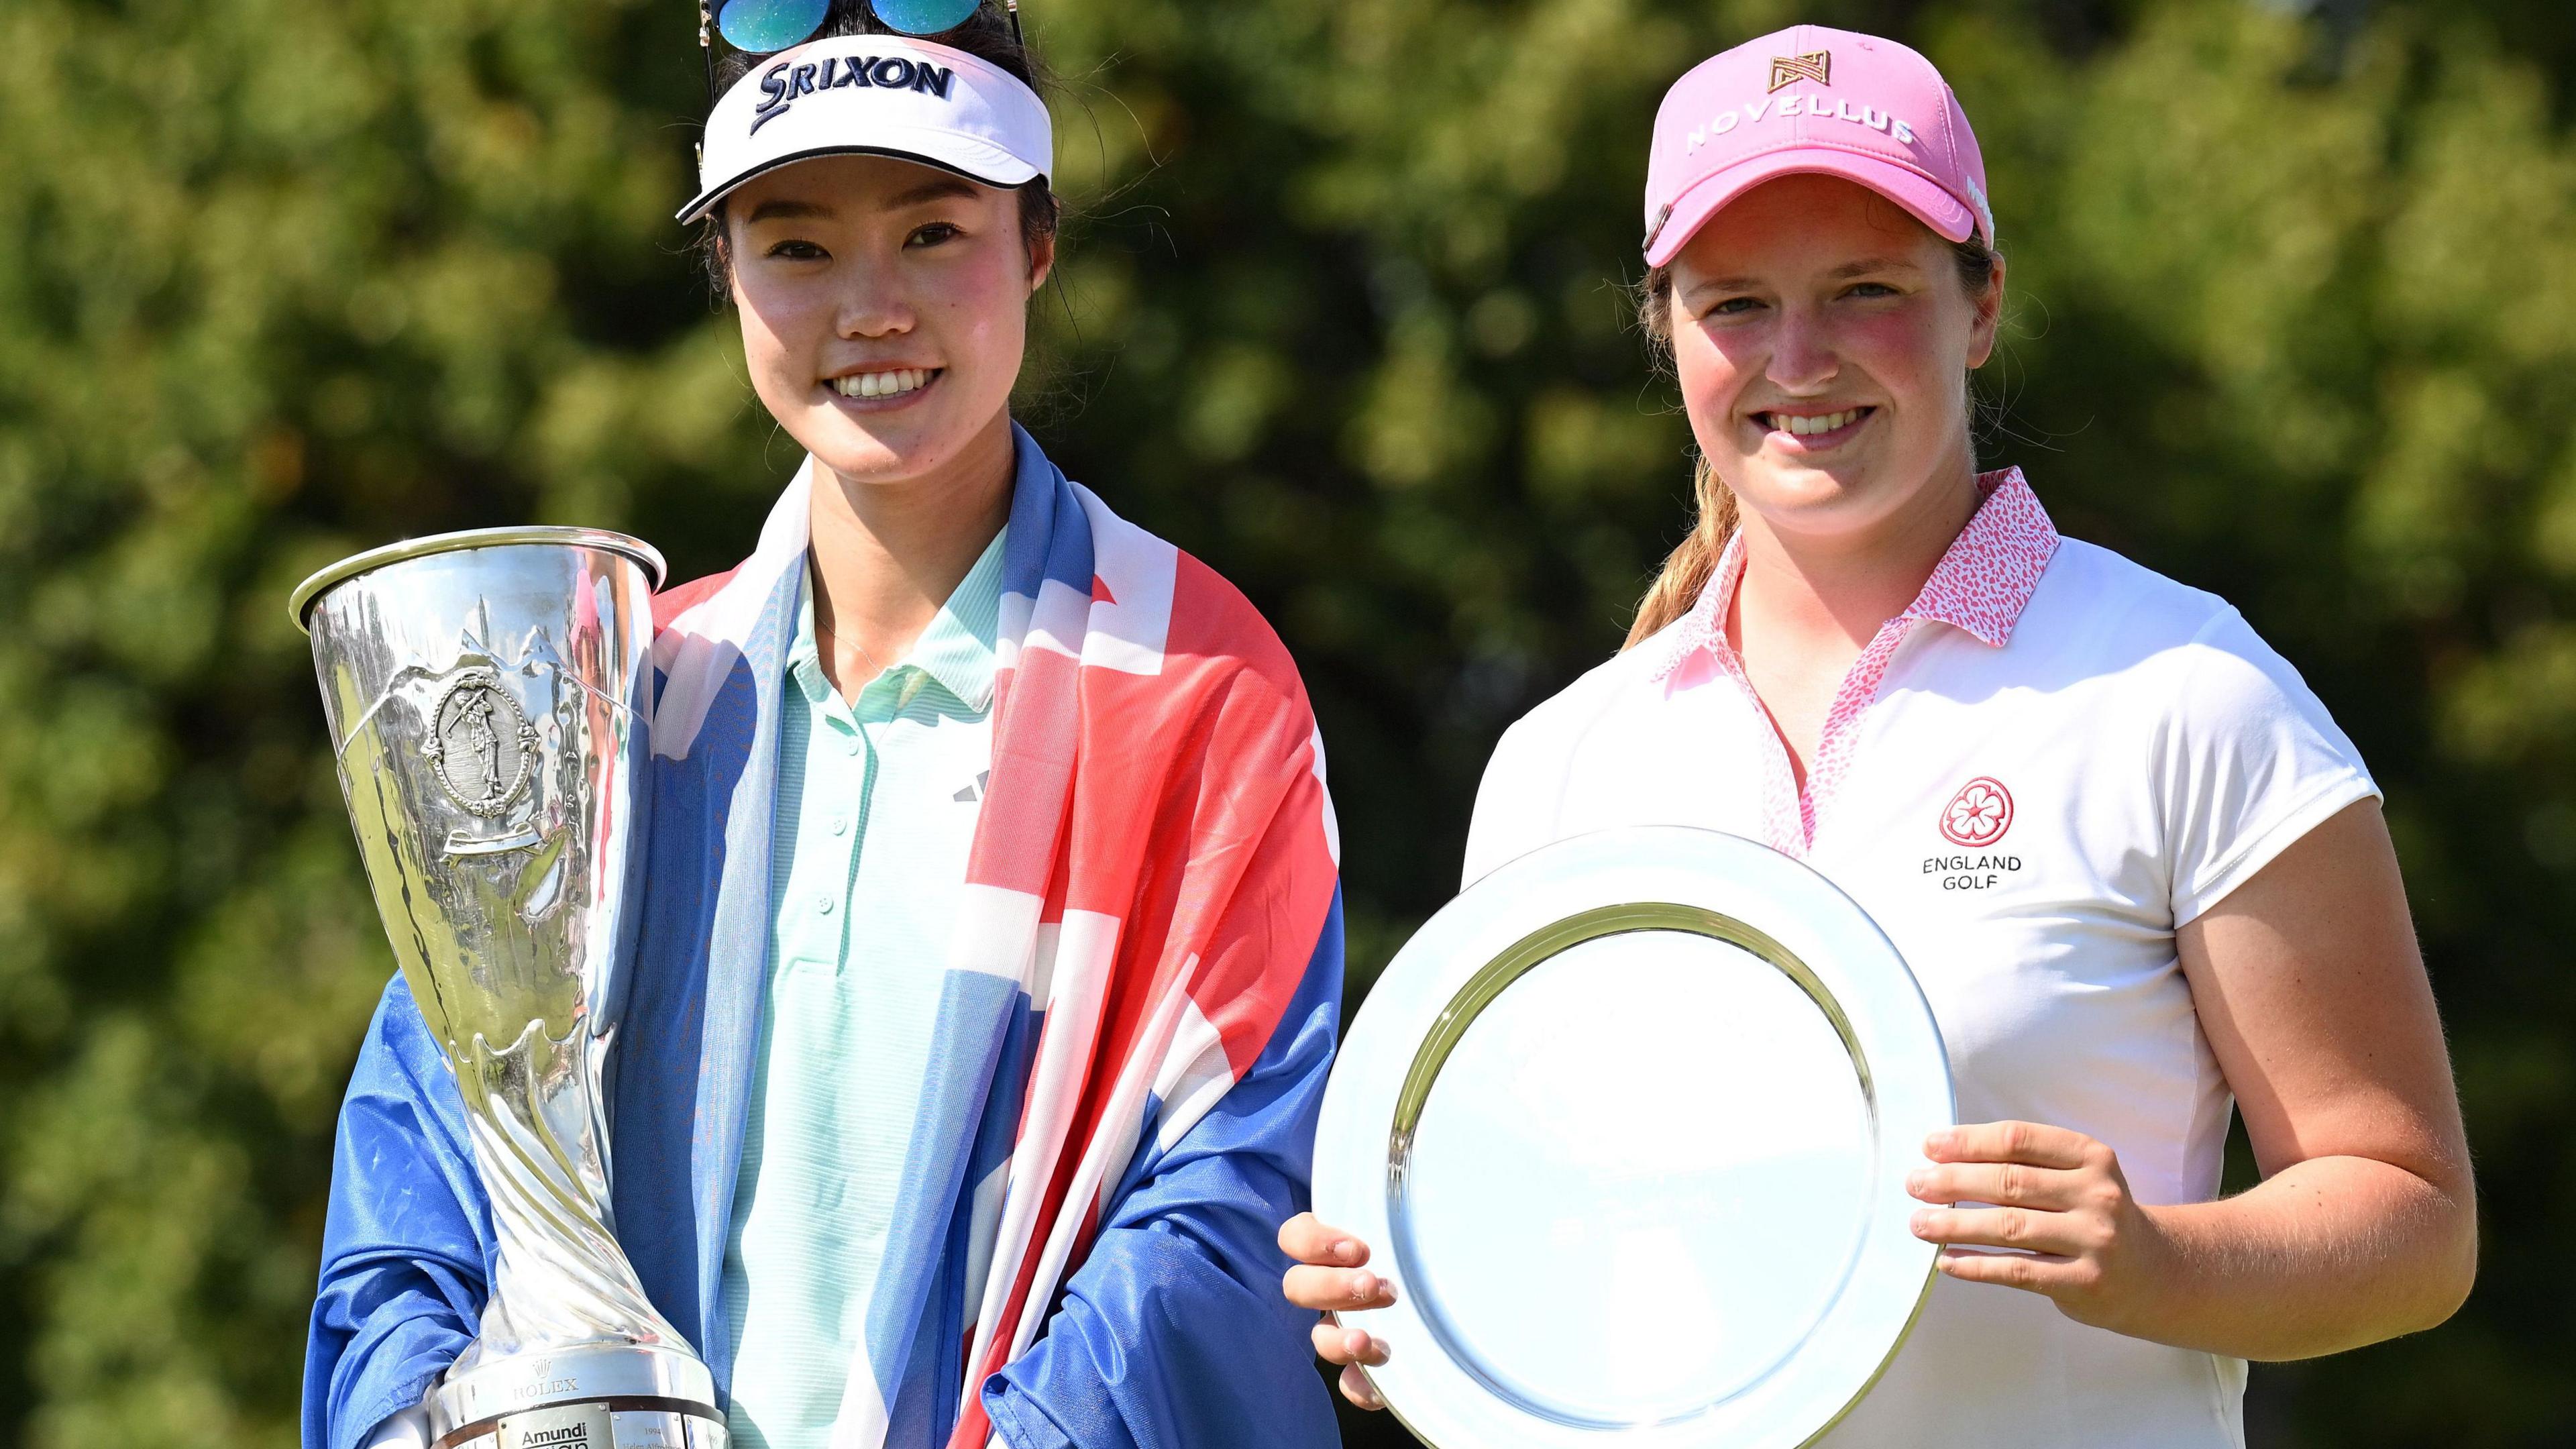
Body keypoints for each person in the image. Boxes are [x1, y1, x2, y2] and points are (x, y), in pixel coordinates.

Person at [1281, 23, 2475, 1446]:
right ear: (1668, 331)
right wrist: (1422, 1305)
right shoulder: (1560, 764)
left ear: (1979, 307)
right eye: (1735, 304)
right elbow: (1557, 1230)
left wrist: (2160, 1264)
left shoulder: (2185, 692)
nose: (1799, 359)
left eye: (1865, 290)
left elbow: (2414, 1223)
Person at [304, 5, 1346, 1449]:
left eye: (934, 234)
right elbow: (428, 1167)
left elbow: (1223, 1203)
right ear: (724, 274)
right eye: (796, 245)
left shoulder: (1203, 686)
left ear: (1037, 248)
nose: (872, 307)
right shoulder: (618, 702)